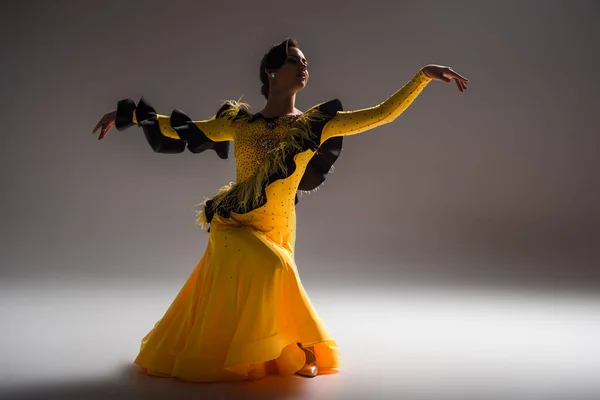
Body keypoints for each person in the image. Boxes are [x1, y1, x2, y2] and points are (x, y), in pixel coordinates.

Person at [92, 37, 468, 382]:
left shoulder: (316, 125)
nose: (304, 66)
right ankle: (302, 349)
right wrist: (127, 116)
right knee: (274, 266)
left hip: (279, 227)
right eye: (293, 60)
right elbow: (185, 128)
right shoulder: (239, 124)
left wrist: (422, 77)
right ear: (271, 71)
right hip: (233, 222)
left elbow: (381, 114)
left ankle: (270, 349)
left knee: (272, 273)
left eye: (305, 61)